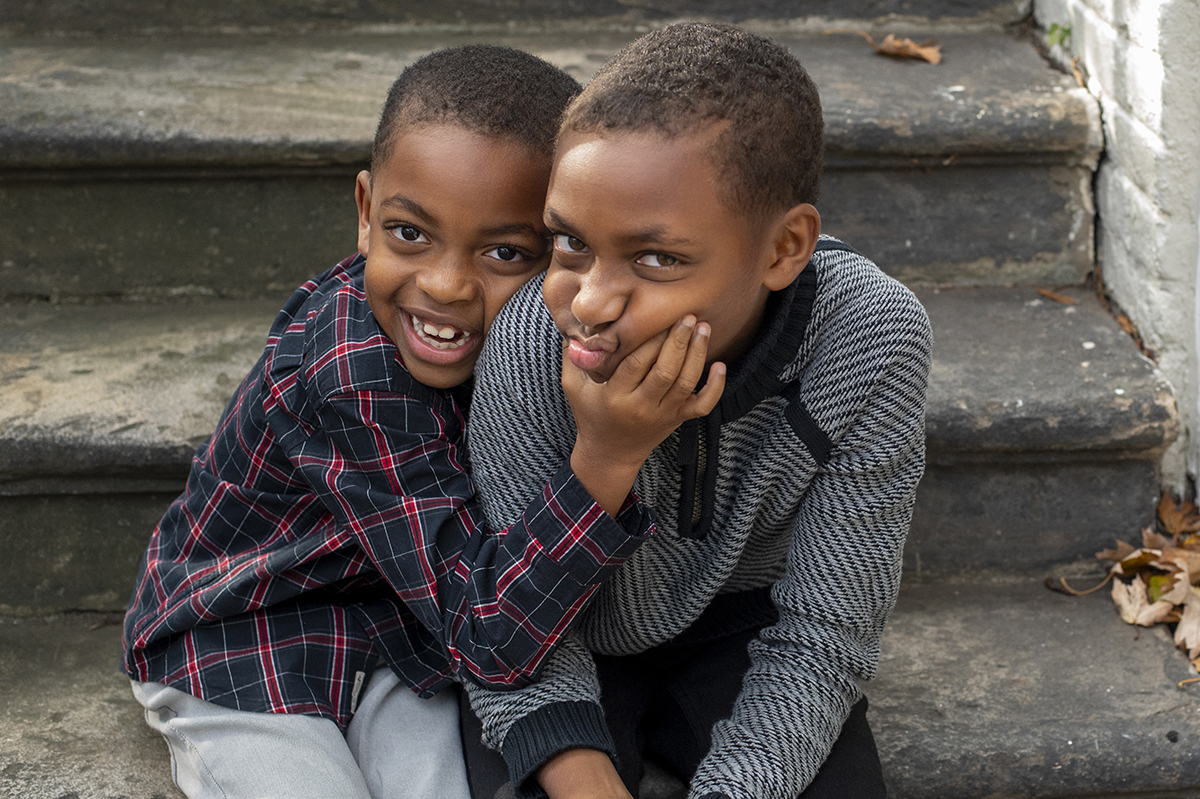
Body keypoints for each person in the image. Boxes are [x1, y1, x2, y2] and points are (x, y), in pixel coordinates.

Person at [121, 44, 725, 799]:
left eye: (507, 251)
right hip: (247, 637)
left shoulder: (547, 342)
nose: (444, 285)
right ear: (367, 212)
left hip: (405, 632)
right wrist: (608, 455)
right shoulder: (351, 369)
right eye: (411, 232)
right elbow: (493, 640)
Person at [459, 22, 933, 799]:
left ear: (785, 248)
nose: (592, 300)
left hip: (744, 625)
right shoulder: (531, 344)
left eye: (657, 259)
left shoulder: (869, 336)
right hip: (560, 630)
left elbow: (824, 637)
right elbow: (510, 637)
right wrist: (606, 454)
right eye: (570, 243)